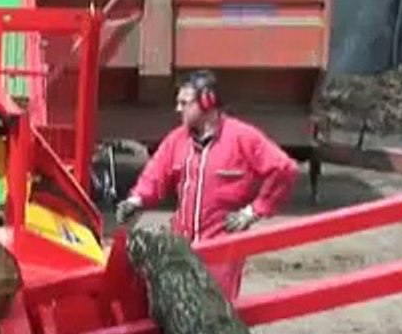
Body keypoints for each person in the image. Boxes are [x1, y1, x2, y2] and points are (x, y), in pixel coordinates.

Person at [116, 69, 299, 300]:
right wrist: (136, 200)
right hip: (182, 244)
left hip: (222, 248)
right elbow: (155, 175)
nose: (178, 109)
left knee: (214, 312)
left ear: (207, 102)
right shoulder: (177, 140)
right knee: (178, 308)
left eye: (184, 102)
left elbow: (284, 169)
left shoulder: (242, 137)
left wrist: (253, 211)